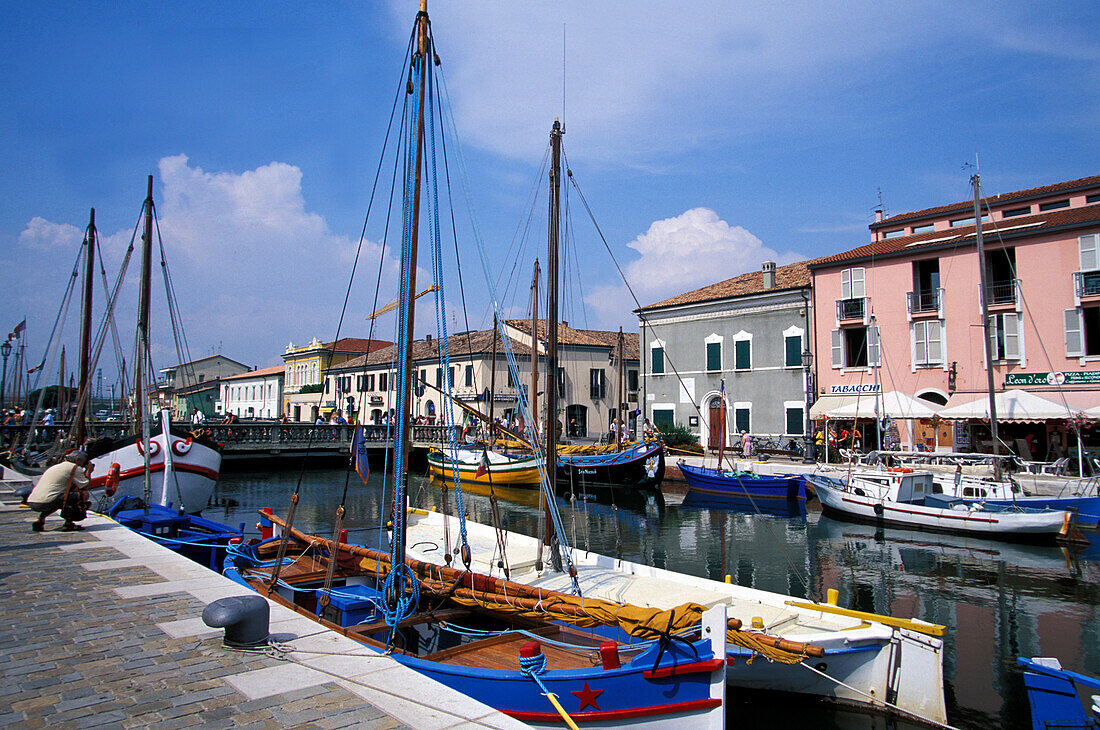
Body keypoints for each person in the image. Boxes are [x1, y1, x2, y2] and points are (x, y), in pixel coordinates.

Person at [27, 451, 91, 532]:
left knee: (59, 499)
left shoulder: (56, 466)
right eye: (84, 462)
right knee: (83, 495)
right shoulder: (74, 468)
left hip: (32, 501)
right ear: (77, 460)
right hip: (47, 501)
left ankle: (40, 519)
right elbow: (85, 486)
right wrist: (88, 471)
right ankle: (68, 524)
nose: (83, 464)